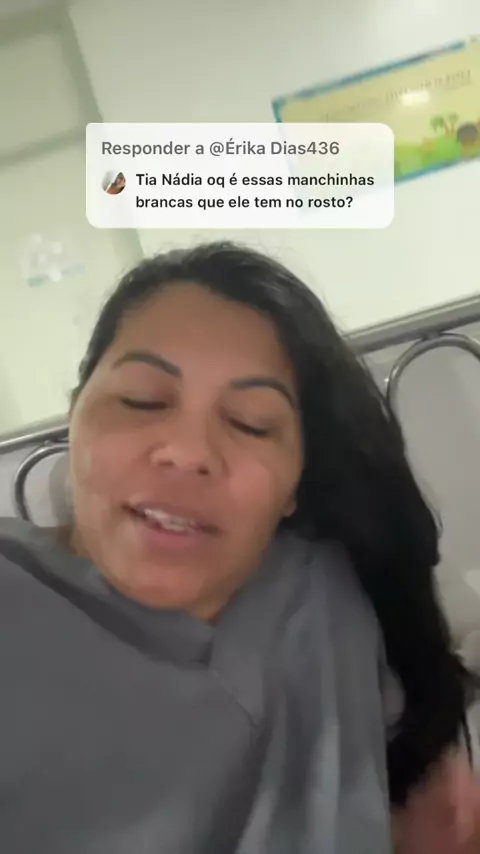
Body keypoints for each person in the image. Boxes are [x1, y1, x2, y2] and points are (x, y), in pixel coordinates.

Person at [0, 241, 479, 853]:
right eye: (143, 400)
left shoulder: (323, 594)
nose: (189, 452)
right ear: (76, 415)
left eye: (252, 422)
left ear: (295, 481)